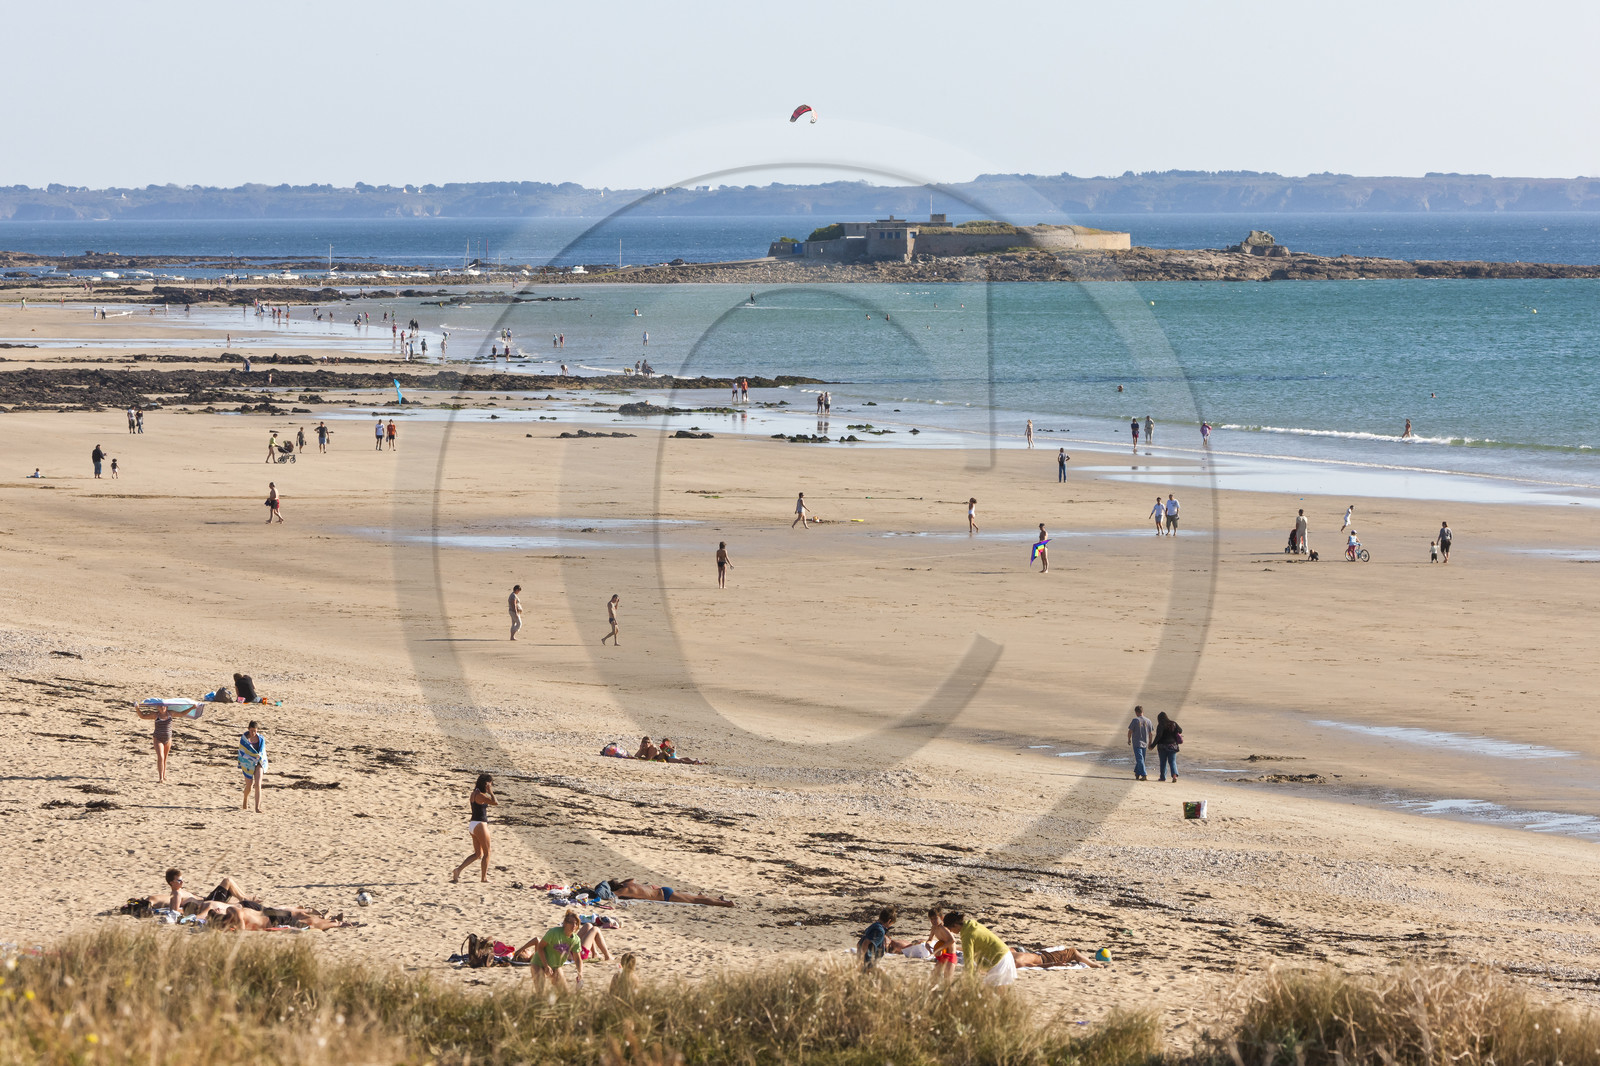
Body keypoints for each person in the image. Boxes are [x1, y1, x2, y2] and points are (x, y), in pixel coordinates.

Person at [941, 912, 1015, 987]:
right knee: (997, 991)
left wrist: (968, 980)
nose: (950, 931)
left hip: (999, 960)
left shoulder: (967, 936)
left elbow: (968, 960)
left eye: (950, 928)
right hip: (1006, 954)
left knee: (989, 992)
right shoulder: (972, 924)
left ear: (955, 925)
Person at [522, 909, 585, 994]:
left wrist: (580, 973)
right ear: (565, 923)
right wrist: (546, 965)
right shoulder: (554, 933)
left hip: (555, 965)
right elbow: (540, 947)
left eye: (576, 923)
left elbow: (577, 959)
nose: (574, 925)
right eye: (571, 922)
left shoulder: (576, 940)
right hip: (539, 962)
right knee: (541, 993)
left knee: (565, 994)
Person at [451, 773, 497, 883]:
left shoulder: (473, 793)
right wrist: (490, 792)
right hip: (480, 825)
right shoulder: (480, 795)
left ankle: (458, 870)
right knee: (487, 853)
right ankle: (484, 878)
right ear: (486, 784)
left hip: (472, 825)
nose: (491, 786)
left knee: (478, 854)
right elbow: (495, 802)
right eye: (490, 784)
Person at [147, 869, 257, 912]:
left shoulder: (180, 891)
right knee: (227, 881)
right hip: (208, 903)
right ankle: (245, 899)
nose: (182, 882)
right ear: (172, 883)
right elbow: (175, 911)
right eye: (179, 880)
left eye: (182, 880)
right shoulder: (176, 893)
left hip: (207, 900)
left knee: (230, 885)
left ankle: (245, 898)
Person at [603, 877, 734, 907]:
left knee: (696, 900)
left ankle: (725, 903)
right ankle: (718, 898)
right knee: (694, 897)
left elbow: (610, 896)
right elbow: (633, 879)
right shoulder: (628, 883)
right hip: (662, 889)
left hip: (664, 896)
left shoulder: (623, 889)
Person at [137, 701, 176, 782]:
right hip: (158, 738)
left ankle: (164, 776)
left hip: (168, 739)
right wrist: (137, 708)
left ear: (167, 707)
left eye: (164, 706)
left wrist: (192, 707)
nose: (162, 707)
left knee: (165, 758)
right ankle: (161, 778)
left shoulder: (170, 713)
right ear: (157, 707)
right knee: (160, 757)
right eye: (160, 706)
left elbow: (182, 714)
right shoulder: (156, 715)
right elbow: (142, 716)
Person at [857, 905, 899, 970]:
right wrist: (861, 960)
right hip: (869, 962)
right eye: (891, 924)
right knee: (883, 975)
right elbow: (865, 943)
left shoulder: (874, 926)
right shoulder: (880, 931)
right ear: (889, 921)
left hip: (869, 961)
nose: (889, 927)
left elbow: (859, 943)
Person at [238, 721, 267, 812]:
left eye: (254, 731)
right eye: (251, 731)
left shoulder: (261, 739)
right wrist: (251, 757)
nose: (253, 733)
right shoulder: (244, 740)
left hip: (258, 762)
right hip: (247, 763)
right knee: (249, 786)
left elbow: (262, 752)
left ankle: (257, 808)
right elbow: (242, 752)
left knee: (258, 784)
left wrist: (258, 756)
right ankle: (245, 798)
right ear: (248, 729)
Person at [927, 907, 958, 982]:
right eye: (931, 919)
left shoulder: (943, 928)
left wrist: (939, 948)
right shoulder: (934, 928)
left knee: (947, 980)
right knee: (933, 977)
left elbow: (952, 940)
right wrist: (927, 945)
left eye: (935, 918)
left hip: (950, 955)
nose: (933, 921)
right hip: (942, 954)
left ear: (941, 917)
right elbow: (930, 939)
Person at [1012, 945, 1105, 969]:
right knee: (1073, 952)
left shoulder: (1010, 955)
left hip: (1038, 954)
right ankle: (1094, 965)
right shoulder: (1017, 961)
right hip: (1044, 958)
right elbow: (1036, 966)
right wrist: (1054, 964)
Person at [1152, 710, 1182, 782]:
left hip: (1162, 746)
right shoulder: (1173, 723)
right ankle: (1174, 776)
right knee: (1172, 761)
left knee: (1163, 762)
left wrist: (1152, 745)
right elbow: (1180, 730)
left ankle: (1162, 777)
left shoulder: (1160, 725)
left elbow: (1158, 736)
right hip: (1172, 745)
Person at [1127, 705, 1154, 780]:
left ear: (1136, 712)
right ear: (1142, 711)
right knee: (1141, 759)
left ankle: (1144, 774)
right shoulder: (1148, 720)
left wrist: (1129, 739)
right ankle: (1137, 772)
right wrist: (1150, 742)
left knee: (1140, 759)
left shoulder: (1135, 720)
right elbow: (1150, 733)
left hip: (1137, 743)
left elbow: (1130, 731)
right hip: (1145, 743)